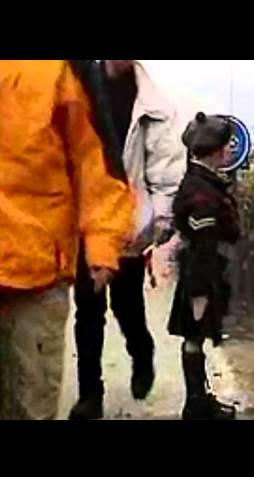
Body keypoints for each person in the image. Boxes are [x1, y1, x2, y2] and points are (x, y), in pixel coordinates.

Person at [0, 60, 134, 420]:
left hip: (36, 272)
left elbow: (96, 160)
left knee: (30, 405)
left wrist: (103, 244)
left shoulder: (61, 69)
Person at [69, 60, 185, 420]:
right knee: (88, 311)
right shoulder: (78, 82)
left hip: (128, 225)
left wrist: (157, 225)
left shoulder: (155, 105)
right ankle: (90, 394)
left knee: (126, 307)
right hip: (83, 220)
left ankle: (142, 352)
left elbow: (166, 172)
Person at [169, 112, 241, 420]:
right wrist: (200, 291)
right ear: (213, 151)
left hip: (207, 270)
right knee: (194, 336)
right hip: (201, 273)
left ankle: (199, 399)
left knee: (196, 337)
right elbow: (202, 247)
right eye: (224, 147)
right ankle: (196, 404)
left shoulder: (205, 182)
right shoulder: (200, 191)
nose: (229, 151)